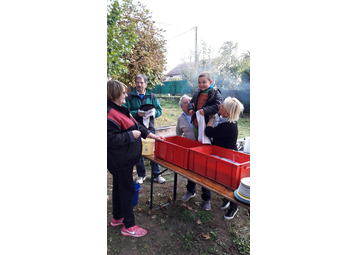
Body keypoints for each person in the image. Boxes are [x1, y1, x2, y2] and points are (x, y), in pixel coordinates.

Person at [107, 80, 165, 237]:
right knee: (127, 190)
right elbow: (108, 138)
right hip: (119, 160)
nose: (126, 94)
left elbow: (137, 126)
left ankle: (117, 217)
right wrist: (129, 135)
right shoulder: (108, 113)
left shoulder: (121, 109)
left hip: (124, 159)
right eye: (123, 92)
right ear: (114, 94)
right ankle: (129, 226)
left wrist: (153, 136)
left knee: (119, 188)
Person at [186, 72, 222, 210]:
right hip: (196, 127)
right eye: (199, 82)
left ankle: (206, 197)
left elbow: (217, 106)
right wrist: (190, 109)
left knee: (205, 166)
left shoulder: (214, 93)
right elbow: (192, 103)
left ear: (210, 81)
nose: (201, 85)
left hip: (207, 130)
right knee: (193, 161)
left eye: (204, 82)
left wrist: (205, 110)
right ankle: (191, 190)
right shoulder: (196, 93)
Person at [205, 96, 244, 220]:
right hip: (222, 154)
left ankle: (234, 207)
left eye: (222, 106)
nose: (219, 106)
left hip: (229, 157)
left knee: (231, 183)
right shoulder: (225, 120)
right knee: (225, 180)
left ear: (227, 113)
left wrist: (210, 118)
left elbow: (209, 132)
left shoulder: (227, 126)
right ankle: (227, 199)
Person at [123, 74, 166, 184]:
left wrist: (154, 113)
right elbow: (125, 113)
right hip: (135, 128)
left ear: (146, 84)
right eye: (137, 82)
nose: (139, 84)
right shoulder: (129, 96)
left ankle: (156, 174)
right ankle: (141, 175)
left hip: (149, 127)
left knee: (153, 151)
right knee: (138, 151)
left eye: (141, 82)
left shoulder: (152, 96)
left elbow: (159, 110)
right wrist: (136, 113)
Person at [176, 95, 210, 209]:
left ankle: (206, 198)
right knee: (190, 171)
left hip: (203, 148)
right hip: (189, 150)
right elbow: (178, 135)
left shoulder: (201, 113)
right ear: (182, 107)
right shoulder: (180, 119)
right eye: (186, 102)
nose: (189, 103)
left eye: (190, 101)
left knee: (205, 173)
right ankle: (191, 191)